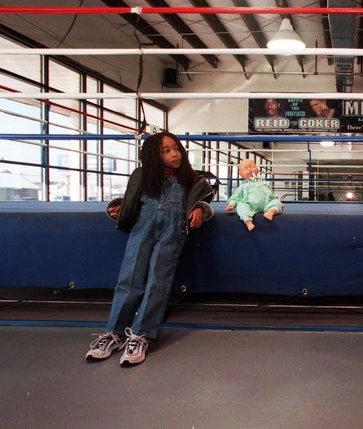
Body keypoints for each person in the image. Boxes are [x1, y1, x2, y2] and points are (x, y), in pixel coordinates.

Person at [86, 131, 215, 366]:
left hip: (172, 233)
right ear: (154, 156)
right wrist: (118, 208)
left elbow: (205, 201)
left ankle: (140, 335)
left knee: (159, 281)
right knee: (129, 279)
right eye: (166, 151)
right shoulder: (142, 177)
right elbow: (130, 201)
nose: (175, 154)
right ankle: (113, 333)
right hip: (142, 231)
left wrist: (199, 209)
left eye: (176, 148)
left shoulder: (191, 179)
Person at [225, 159, 283, 231]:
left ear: (257, 170)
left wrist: (277, 201)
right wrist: (232, 204)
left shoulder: (264, 183)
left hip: (266, 204)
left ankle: (270, 212)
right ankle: (248, 221)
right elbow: (235, 197)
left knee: (276, 202)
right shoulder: (243, 186)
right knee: (241, 206)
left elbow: (271, 194)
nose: (249, 169)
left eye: (252, 167)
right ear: (241, 174)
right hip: (250, 206)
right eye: (246, 169)